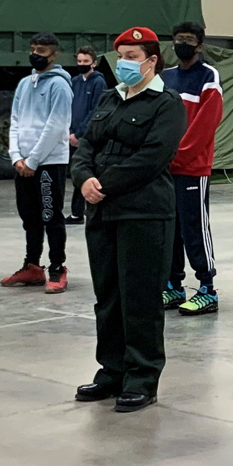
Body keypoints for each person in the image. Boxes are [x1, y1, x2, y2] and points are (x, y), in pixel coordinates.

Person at [72, 26, 187, 412]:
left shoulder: (166, 103)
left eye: (133, 57)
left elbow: (153, 157)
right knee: (108, 296)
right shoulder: (109, 97)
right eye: (121, 56)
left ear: (152, 61)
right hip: (103, 211)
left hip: (144, 212)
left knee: (140, 298)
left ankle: (142, 377)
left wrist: (102, 183)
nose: (125, 64)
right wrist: (83, 178)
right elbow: (87, 143)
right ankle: (111, 371)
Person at [2, 34, 76, 294]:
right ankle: (32, 266)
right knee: (29, 217)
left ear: (53, 55)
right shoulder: (24, 84)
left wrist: (33, 160)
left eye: (41, 50)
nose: (36, 54)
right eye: (33, 49)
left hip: (48, 163)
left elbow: (56, 126)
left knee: (51, 216)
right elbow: (16, 120)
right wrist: (16, 157)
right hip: (23, 164)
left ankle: (58, 267)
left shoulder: (60, 86)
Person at [161, 20, 224, 316]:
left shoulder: (208, 76)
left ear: (199, 45)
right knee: (169, 229)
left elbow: (206, 124)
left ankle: (207, 289)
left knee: (194, 227)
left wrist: (180, 155)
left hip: (193, 167)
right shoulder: (165, 77)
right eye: (178, 38)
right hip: (166, 168)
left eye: (188, 39)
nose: (181, 43)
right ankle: (174, 286)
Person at [64, 45, 108, 225]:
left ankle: (78, 212)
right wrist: (69, 132)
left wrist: (80, 133)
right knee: (74, 173)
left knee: (84, 173)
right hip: (71, 134)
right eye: (79, 61)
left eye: (86, 62)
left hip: (84, 136)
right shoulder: (74, 81)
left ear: (94, 63)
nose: (82, 64)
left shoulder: (99, 83)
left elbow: (94, 110)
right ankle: (76, 211)